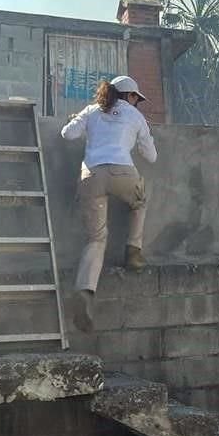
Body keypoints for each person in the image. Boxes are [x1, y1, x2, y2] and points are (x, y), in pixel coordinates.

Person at [61, 75, 157, 332]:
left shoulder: (92, 110)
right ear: (130, 96)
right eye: (137, 98)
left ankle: (84, 291)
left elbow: (67, 135)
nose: (137, 103)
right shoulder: (136, 117)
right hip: (123, 172)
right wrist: (139, 137)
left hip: (90, 175)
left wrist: (75, 121)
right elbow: (152, 156)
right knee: (139, 201)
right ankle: (133, 253)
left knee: (96, 238)